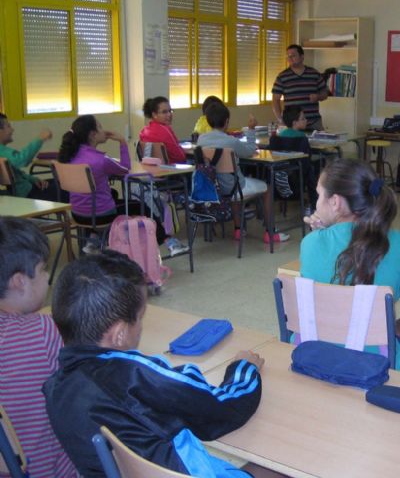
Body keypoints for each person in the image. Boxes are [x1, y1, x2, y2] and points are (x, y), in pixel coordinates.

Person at [43, 250, 272, 478]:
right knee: (279, 467)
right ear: (120, 333)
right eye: (141, 317)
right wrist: (243, 369)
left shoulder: (55, 388)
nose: (142, 326)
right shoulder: (132, 375)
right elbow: (221, 410)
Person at [301, 159, 400, 380]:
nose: (317, 203)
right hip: (375, 363)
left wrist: (322, 233)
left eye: (319, 195)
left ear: (336, 202)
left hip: (316, 355)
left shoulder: (310, 244)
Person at [0, 217, 77, 477]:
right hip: (52, 471)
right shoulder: (42, 331)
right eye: (44, 269)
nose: (47, 278)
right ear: (20, 281)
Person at [58, 115, 188, 256]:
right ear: (92, 134)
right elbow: (125, 168)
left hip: (78, 214)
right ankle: (170, 242)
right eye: (100, 127)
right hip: (101, 216)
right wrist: (122, 142)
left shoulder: (69, 156)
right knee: (140, 206)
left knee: (111, 193)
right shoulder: (101, 160)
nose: (104, 130)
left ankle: (93, 239)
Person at [197, 102, 290, 243]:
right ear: (227, 121)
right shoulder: (231, 142)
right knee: (267, 189)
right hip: (233, 187)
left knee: (233, 187)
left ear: (208, 121)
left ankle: (238, 230)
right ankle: (270, 233)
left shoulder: (201, 139)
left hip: (214, 187)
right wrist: (251, 129)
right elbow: (250, 150)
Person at [0, 113, 66, 201]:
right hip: (28, 195)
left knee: (59, 183)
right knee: (68, 188)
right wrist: (41, 138)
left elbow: (17, 174)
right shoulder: (2, 150)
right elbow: (21, 160)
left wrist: (33, 179)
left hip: (26, 190)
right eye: (8, 126)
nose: (12, 129)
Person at [271, 44, 328, 131]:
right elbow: (275, 100)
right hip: (293, 125)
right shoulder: (282, 76)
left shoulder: (314, 73)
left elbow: (325, 93)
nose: (290, 58)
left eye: (293, 55)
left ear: (302, 57)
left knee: (319, 144)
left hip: (314, 122)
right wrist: (280, 120)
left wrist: (318, 97)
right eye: (288, 56)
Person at [139, 96, 187, 164]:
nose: (169, 114)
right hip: (172, 170)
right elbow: (180, 156)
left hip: (153, 171)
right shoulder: (164, 130)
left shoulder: (144, 131)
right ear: (154, 114)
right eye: (164, 112)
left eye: (170, 111)